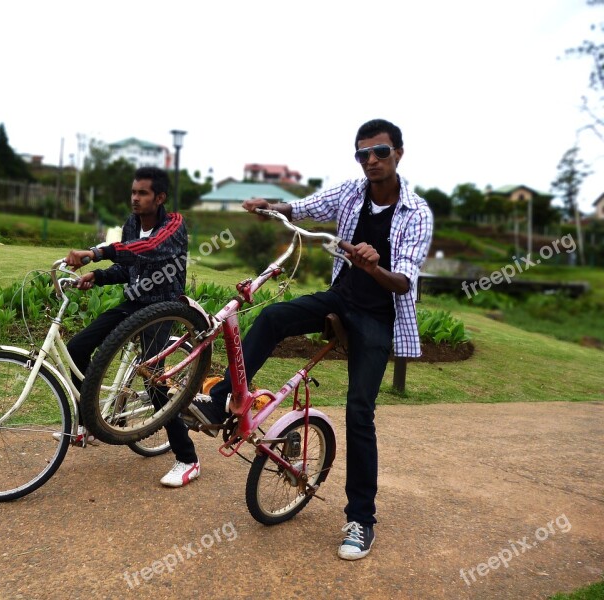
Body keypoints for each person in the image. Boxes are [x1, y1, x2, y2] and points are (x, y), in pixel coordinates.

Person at [186, 119, 434, 559]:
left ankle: (360, 519)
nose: (371, 161)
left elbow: (403, 284)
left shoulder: (417, 213)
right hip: (341, 299)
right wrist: (273, 205)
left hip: (377, 316)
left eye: (380, 151)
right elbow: (306, 207)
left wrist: (372, 264)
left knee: (360, 412)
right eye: (363, 154)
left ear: (399, 153)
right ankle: (221, 397)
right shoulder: (351, 193)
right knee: (275, 316)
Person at [64, 166, 200, 488]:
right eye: (133, 192)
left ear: (160, 197)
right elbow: (128, 266)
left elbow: (149, 249)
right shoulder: (131, 224)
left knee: (153, 379)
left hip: (166, 307)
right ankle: (88, 424)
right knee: (77, 349)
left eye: (142, 193)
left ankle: (188, 458)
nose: (135, 199)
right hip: (135, 303)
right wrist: (97, 276)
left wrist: (95, 253)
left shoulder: (174, 225)